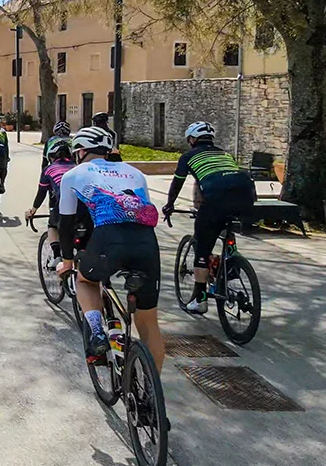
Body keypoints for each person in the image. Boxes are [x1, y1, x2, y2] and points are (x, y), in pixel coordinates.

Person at [57, 127, 164, 375]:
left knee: (85, 280)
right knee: (149, 323)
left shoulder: (73, 174)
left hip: (108, 238)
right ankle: (152, 391)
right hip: (146, 243)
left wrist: (67, 262)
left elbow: (65, 224)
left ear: (81, 151)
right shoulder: (135, 173)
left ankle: (96, 332)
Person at [161, 121, 257, 313]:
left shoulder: (188, 156)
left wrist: (169, 205)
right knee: (225, 221)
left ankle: (200, 300)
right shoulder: (225, 154)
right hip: (247, 196)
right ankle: (231, 259)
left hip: (216, 201)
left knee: (202, 250)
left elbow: (177, 183)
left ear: (191, 139)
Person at [25, 138, 77, 265]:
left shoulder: (49, 169)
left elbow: (41, 193)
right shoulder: (77, 167)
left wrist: (33, 210)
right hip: (85, 206)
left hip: (65, 204)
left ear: (51, 157)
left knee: (52, 226)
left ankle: (57, 257)